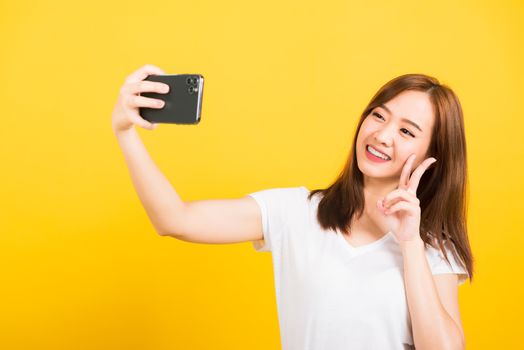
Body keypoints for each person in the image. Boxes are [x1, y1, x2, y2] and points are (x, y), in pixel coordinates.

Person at [112, 64, 474, 350]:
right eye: (379, 116)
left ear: (432, 155)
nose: (381, 134)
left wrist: (410, 242)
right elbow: (175, 220)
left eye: (407, 132)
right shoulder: (297, 212)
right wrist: (125, 133)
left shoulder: (433, 247)